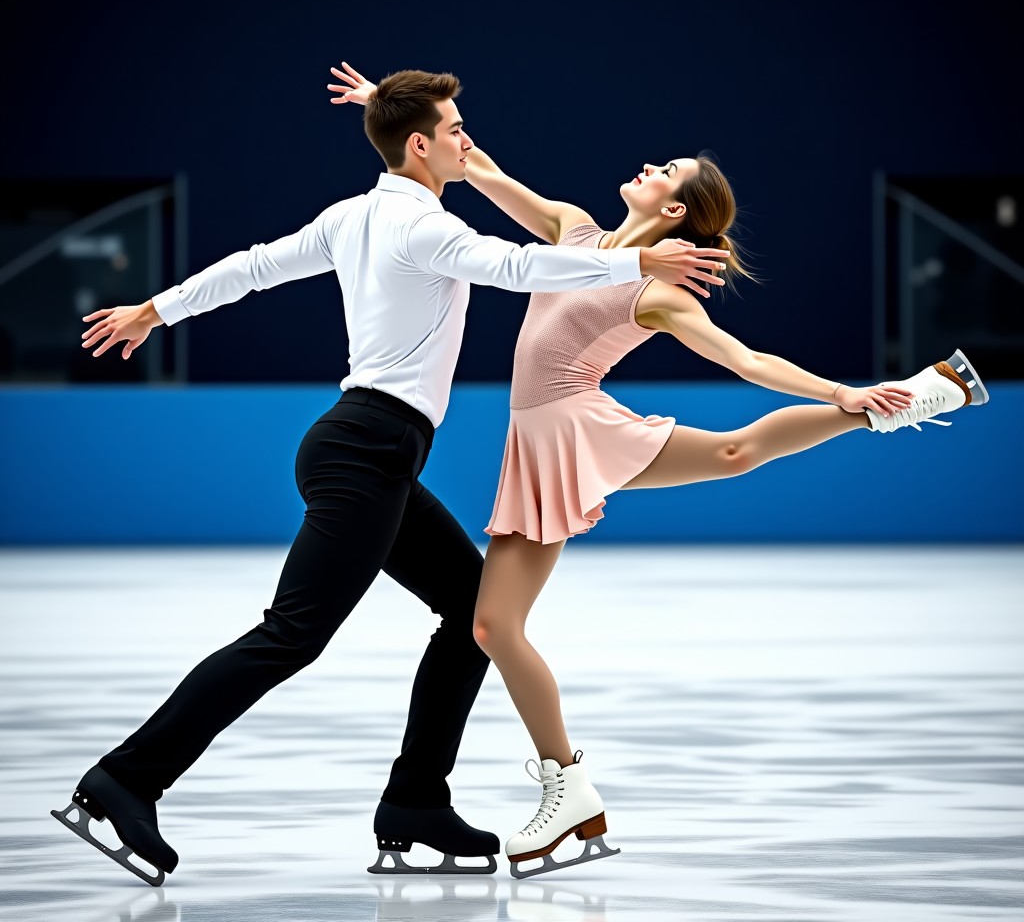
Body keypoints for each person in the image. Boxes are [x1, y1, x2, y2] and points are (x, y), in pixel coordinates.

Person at [50, 66, 731, 887]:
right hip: (366, 448)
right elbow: (521, 268)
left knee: (472, 608)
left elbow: (251, 267)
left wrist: (154, 310)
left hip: (373, 449)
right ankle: (124, 781)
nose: (465, 140)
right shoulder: (424, 230)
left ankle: (415, 803)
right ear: (419, 145)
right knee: (291, 635)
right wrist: (636, 269)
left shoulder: (355, 215)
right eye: (453, 130)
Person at [460, 146, 990, 877]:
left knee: (734, 455)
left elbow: (747, 361)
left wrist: (838, 391)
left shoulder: (659, 294)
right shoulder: (574, 232)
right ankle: (572, 788)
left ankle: (889, 405)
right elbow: (482, 170)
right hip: (537, 439)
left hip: (576, 427)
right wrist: (396, 112)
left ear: (674, 210)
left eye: (666, 172)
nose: (647, 166)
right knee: (494, 625)